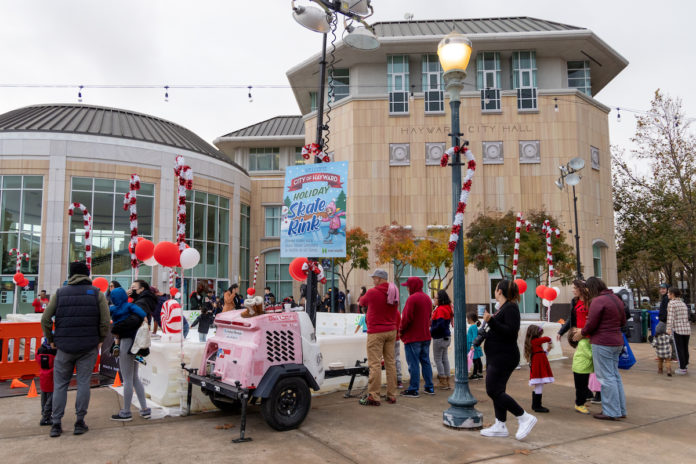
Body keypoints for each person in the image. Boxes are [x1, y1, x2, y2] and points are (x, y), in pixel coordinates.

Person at [41, 261, 110, 438]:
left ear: (71, 275)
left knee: (60, 385)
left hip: (64, 347)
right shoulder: (97, 294)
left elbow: (46, 319)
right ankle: (80, 422)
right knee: (83, 383)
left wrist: (51, 339)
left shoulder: (60, 293)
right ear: (87, 274)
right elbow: (104, 320)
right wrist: (100, 339)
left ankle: (56, 424)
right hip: (88, 346)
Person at [480, 279, 537, 440]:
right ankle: (500, 424)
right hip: (497, 356)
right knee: (498, 390)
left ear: (500, 291)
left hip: (504, 357)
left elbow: (511, 332)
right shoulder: (503, 308)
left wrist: (492, 321)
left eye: (496, 288)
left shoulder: (511, 308)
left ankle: (524, 417)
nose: (495, 291)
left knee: (493, 390)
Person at [581, 276, 627, 421]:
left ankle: (611, 411)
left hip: (603, 342)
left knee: (606, 378)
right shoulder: (615, 298)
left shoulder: (598, 301)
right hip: (617, 341)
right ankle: (620, 409)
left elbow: (591, 324)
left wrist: (581, 333)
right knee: (614, 376)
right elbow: (623, 320)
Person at [357, 269, 400, 406]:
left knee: (374, 364)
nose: (373, 280)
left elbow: (361, 302)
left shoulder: (372, 292)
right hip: (391, 331)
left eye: (374, 278)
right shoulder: (394, 291)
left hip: (376, 331)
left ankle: (374, 396)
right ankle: (392, 395)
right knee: (390, 363)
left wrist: (362, 294)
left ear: (380, 278)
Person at [109, 287, 151, 422]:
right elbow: (142, 313)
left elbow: (103, 312)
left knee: (127, 379)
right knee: (134, 378)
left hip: (125, 343)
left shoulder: (113, 309)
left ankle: (126, 411)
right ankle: (144, 409)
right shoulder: (131, 306)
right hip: (136, 344)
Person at [558, 280, 596, 414]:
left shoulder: (593, 301)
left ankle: (591, 395)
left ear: (583, 288)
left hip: (593, 340)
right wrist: (561, 332)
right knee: (580, 369)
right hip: (581, 340)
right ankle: (580, 401)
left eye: (575, 288)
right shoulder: (574, 302)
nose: (573, 290)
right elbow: (571, 319)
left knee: (596, 371)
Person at [399, 277, 434, 398]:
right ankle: (429, 387)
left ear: (413, 286)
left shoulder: (412, 299)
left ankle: (413, 389)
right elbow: (429, 316)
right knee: (425, 362)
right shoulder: (427, 298)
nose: (407, 289)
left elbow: (406, 318)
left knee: (413, 364)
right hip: (425, 336)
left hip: (413, 337)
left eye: (408, 286)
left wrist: (401, 330)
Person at [109, 287, 147, 361]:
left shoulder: (113, 308)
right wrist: (144, 316)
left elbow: (106, 313)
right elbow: (138, 310)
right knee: (135, 342)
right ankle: (138, 356)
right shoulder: (129, 305)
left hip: (117, 325)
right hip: (127, 325)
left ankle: (116, 346)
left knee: (117, 337)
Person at [524, 325, 554, 413]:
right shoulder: (535, 341)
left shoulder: (535, 343)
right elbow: (547, 338)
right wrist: (550, 341)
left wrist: (548, 350)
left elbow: (542, 354)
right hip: (538, 367)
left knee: (539, 384)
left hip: (539, 366)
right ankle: (537, 406)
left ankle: (535, 405)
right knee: (539, 384)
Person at [431, 290, 454, 388]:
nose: (434, 299)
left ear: (440, 299)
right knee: (445, 359)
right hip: (446, 337)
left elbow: (440, 325)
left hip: (439, 337)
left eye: (435, 298)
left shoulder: (440, 309)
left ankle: (443, 381)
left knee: (438, 359)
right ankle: (447, 380)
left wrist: (430, 331)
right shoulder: (448, 308)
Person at [666, 287, 690, 374]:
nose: (667, 294)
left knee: (679, 349)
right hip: (686, 329)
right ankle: (685, 365)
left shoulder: (671, 303)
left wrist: (668, 328)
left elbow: (670, 317)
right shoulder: (683, 303)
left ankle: (682, 368)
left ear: (672, 294)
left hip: (677, 329)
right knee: (685, 348)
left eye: (668, 293)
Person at [37, 339, 57, 426]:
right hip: (52, 377)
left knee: (43, 397)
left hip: (43, 376)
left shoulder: (39, 353)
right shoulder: (54, 354)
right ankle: (46, 417)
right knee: (51, 398)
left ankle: (44, 414)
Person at [466, 312, 483, 381]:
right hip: (474, 345)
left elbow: (474, 336)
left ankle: (475, 374)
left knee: (475, 360)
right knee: (478, 359)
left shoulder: (473, 326)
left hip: (473, 345)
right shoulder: (474, 326)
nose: (467, 320)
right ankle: (479, 373)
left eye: (467, 319)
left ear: (470, 319)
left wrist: (473, 345)